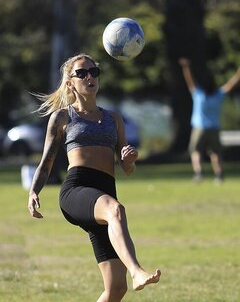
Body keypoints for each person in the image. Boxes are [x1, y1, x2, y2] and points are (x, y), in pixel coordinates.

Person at [27, 53, 161, 301]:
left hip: (105, 191)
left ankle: (130, 275)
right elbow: (46, 162)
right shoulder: (63, 117)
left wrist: (129, 161)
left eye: (94, 72)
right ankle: (137, 271)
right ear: (70, 83)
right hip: (76, 190)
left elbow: (127, 169)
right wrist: (34, 191)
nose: (90, 76)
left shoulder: (114, 119)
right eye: (82, 73)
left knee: (115, 289)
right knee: (116, 210)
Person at [178, 58, 240, 183]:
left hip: (199, 128)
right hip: (214, 128)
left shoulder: (199, 95)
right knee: (215, 153)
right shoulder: (218, 95)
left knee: (195, 151)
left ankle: (198, 173)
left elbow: (190, 81)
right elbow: (231, 84)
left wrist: (186, 67)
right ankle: (218, 175)